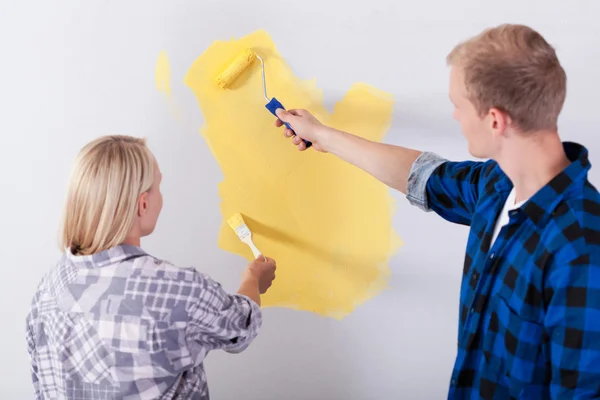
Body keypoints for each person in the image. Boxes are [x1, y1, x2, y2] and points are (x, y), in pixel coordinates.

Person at [274, 24, 600, 398]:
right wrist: (323, 135)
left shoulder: (581, 249)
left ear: (494, 120)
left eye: (458, 105)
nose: (455, 117)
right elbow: (422, 175)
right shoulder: (498, 186)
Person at [25, 135, 276, 399]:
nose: (161, 197)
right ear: (142, 204)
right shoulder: (175, 290)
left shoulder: (48, 291)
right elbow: (240, 327)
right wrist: (253, 279)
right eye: (158, 186)